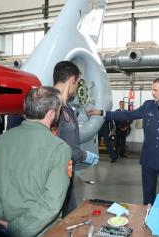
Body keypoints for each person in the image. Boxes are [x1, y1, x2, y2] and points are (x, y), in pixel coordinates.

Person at [0, 86, 72, 237]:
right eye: (59, 110)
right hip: (39, 231)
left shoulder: (1, 141)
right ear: (52, 114)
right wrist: (15, 228)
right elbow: (51, 203)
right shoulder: (60, 149)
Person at [88, 76, 159, 205]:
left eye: (155, 90)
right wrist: (102, 113)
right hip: (148, 160)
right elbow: (128, 115)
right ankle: (146, 218)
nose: (152, 92)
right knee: (148, 195)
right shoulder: (148, 105)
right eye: (152, 89)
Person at [52, 61, 99, 216]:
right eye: (78, 82)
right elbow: (66, 150)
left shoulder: (55, 105)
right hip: (56, 178)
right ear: (72, 80)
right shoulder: (57, 109)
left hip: (64, 175)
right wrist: (85, 156)